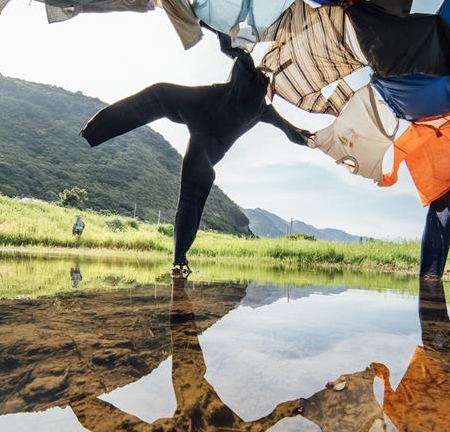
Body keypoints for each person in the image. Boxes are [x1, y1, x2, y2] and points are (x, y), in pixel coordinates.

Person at [81, 31, 311, 277]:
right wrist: (313, 140)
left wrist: (208, 23)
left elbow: (228, 45)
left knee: (159, 95)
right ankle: (179, 260)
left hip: (202, 117)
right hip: (207, 145)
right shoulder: (264, 109)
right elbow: (293, 132)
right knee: (190, 200)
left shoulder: (249, 73)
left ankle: (94, 131)